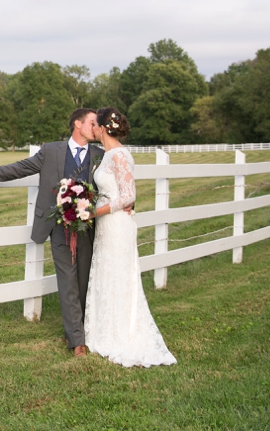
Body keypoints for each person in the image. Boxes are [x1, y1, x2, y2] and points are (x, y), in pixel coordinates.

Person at [0, 108, 104, 356]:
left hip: (88, 227)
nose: (96, 127)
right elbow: (20, 168)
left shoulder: (100, 155)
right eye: (92, 123)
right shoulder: (51, 151)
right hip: (58, 227)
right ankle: (77, 342)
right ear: (77, 124)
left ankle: (80, 329)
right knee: (67, 281)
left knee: (84, 281)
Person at [84, 107, 176, 367]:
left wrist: (93, 213)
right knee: (107, 272)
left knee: (119, 274)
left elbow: (128, 196)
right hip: (107, 224)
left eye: (95, 126)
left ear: (102, 128)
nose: (93, 129)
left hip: (116, 224)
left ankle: (122, 334)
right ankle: (104, 331)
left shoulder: (119, 155)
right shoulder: (107, 155)